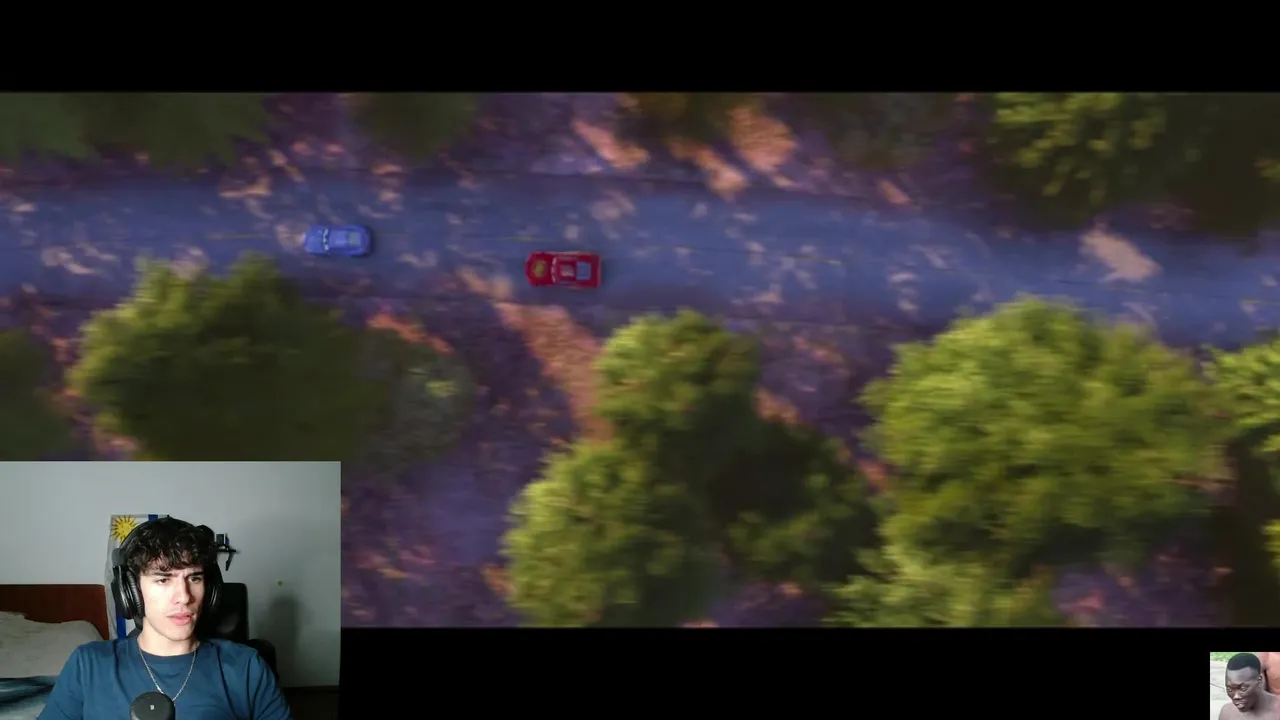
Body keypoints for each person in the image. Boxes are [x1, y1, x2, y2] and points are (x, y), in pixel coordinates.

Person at [38, 516, 292, 719]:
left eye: (194, 578)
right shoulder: (88, 664)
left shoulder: (246, 667)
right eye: (163, 579)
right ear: (131, 592)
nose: (184, 597)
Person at [1220, 653, 1279, 720]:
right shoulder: (1227, 713)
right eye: (1229, 689)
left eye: (1243, 689)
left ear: (1259, 680)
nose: (1236, 696)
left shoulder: (1277, 711)